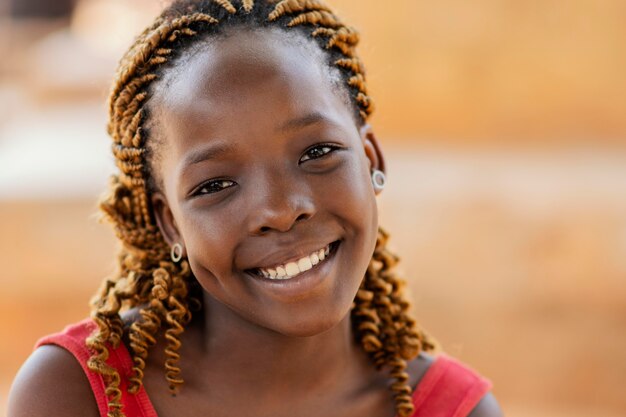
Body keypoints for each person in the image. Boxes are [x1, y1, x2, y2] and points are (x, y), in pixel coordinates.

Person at [8, 1, 504, 416]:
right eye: (216, 184)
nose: (282, 210)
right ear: (169, 223)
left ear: (371, 158)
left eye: (316, 153)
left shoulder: (453, 410)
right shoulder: (76, 395)